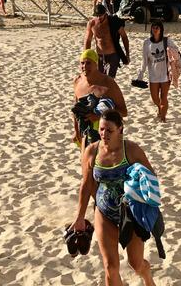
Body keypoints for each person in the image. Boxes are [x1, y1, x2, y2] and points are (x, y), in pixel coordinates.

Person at [71, 109, 157, 286]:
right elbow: (86, 184)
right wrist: (79, 217)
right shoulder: (91, 152)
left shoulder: (132, 150)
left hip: (131, 213)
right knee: (110, 266)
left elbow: (151, 177)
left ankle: (147, 277)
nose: (104, 134)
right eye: (102, 129)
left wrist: (138, 190)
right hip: (104, 210)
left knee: (136, 263)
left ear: (120, 129)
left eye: (109, 130)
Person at [72, 49, 128, 149]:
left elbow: (123, 111)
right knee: (87, 163)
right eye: (82, 63)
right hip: (85, 132)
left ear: (96, 64)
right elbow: (76, 110)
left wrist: (99, 116)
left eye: (88, 63)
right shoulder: (77, 82)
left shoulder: (107, 82)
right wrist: (76, 131)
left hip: (108, 134)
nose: (84, 66)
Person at [137, 21, 178, 122]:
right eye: (153, 27)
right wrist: (140, 74)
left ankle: (163, 117)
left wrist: (170, 52)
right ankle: (160, 108)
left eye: (157, 28)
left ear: (161, 30)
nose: (155, 30)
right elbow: (144, 60)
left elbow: (176, 52)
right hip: (153, 76)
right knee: (155, 98)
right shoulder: (147, 43)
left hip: (165, 75)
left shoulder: (167, 41)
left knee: (164, 97)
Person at [85, 4, 130, 78]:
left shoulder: (114, 22)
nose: (99, 17)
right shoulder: (92, 24)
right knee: (100, 79)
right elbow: (88, 40)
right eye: (97, 15)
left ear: (105, 14)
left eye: (101, 15)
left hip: (113, 55)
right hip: (100, 56)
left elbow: (124, 37)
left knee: (110, 80)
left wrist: (127, 54)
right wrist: (86, 56)